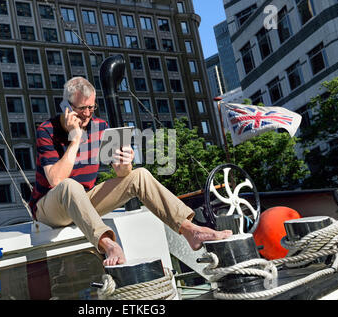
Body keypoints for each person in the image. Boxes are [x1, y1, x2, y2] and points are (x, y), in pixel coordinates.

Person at [29, 77, 232, 266]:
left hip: (83, 201)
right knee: (69, 186)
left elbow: (122, 174)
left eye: (92, 107)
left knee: (140, 175)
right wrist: (75, 139)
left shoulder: (101, 126)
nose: (88, 114)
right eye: (82, 108)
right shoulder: (47, 129)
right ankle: (109, 245)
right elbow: (56, 179)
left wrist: (124, 163)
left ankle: (191, 231)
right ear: (66, 107)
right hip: (50, 208)